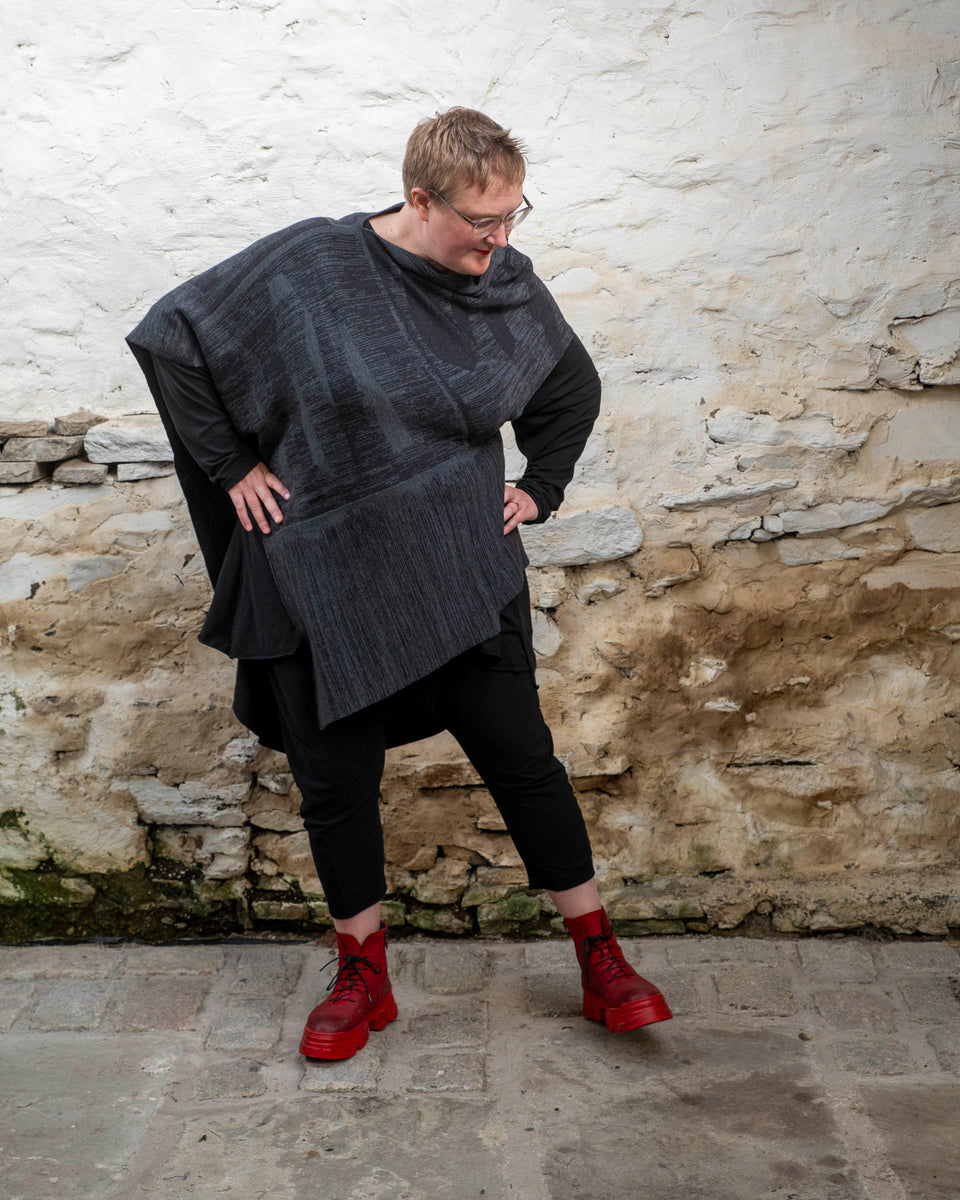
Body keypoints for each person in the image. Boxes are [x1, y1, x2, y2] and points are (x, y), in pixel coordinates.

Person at [127, 107, 671, 1060]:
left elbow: (570, 386)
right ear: (422, 199)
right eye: (482, 224)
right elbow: (174, 339)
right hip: (322, 573)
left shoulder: (506, 284)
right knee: (336, 785)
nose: (500, 243)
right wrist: (229, 468)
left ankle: (600, 958)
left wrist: (540, 487)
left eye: (514, 218)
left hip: (458, 566)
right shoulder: (311, 266)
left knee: (524, 762)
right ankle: (361, 976)